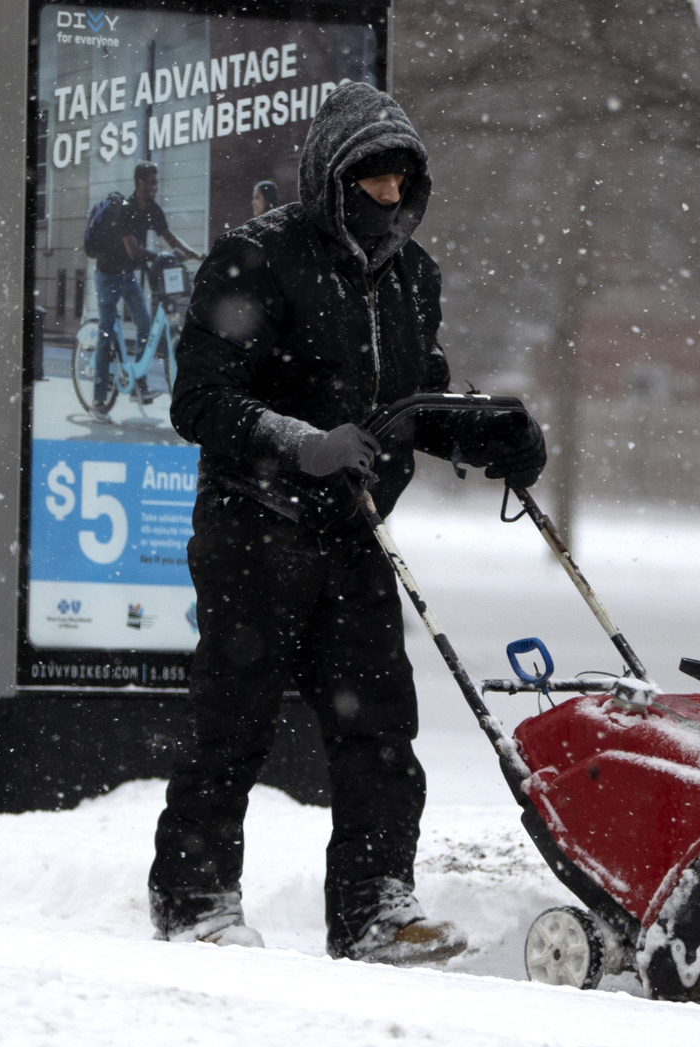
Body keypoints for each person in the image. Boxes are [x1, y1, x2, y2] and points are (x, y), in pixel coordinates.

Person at [152, 82, 546, 963]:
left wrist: (495, 437)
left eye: (402, 180)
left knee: (378, 731)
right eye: (370, 180)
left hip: (354, 534)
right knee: (234, 724)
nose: (389, 197)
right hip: (253, 527)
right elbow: (199, 400)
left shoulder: (413, 277)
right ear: (331, 177)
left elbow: (414, 402)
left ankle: (375, 909)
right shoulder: (253, 259)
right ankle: (195, 899)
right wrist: (298, 443)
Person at [84, 160, 194, 402]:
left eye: (156, 182)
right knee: (106, 333)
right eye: (152, 182)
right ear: (140, 182)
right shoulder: (125, 209)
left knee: (144, 325)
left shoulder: (152, 209)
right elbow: (133, 251)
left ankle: (138, 387)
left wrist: (200, 256)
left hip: (127, 276)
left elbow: (171, 239)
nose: (155, 186)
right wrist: (160, 256)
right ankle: (98, 402)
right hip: (107, 275)